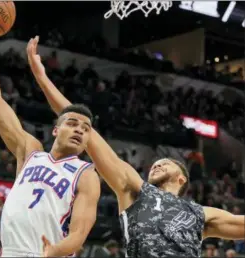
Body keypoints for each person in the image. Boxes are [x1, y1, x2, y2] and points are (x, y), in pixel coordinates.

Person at [27, 36, 245, 258]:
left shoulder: (200, 213)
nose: (157, 164)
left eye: (166, 163)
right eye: (156, 163)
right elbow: (87, 132)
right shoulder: (136, 190)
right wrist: (42, 79)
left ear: (182, 179)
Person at [0, 29, 100, 257]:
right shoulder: (31, 152)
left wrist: (54, 251)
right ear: (56, 130)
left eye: (85, 129)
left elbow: (79, 234)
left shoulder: (86, 174)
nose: (79, 129)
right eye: (72, 123)